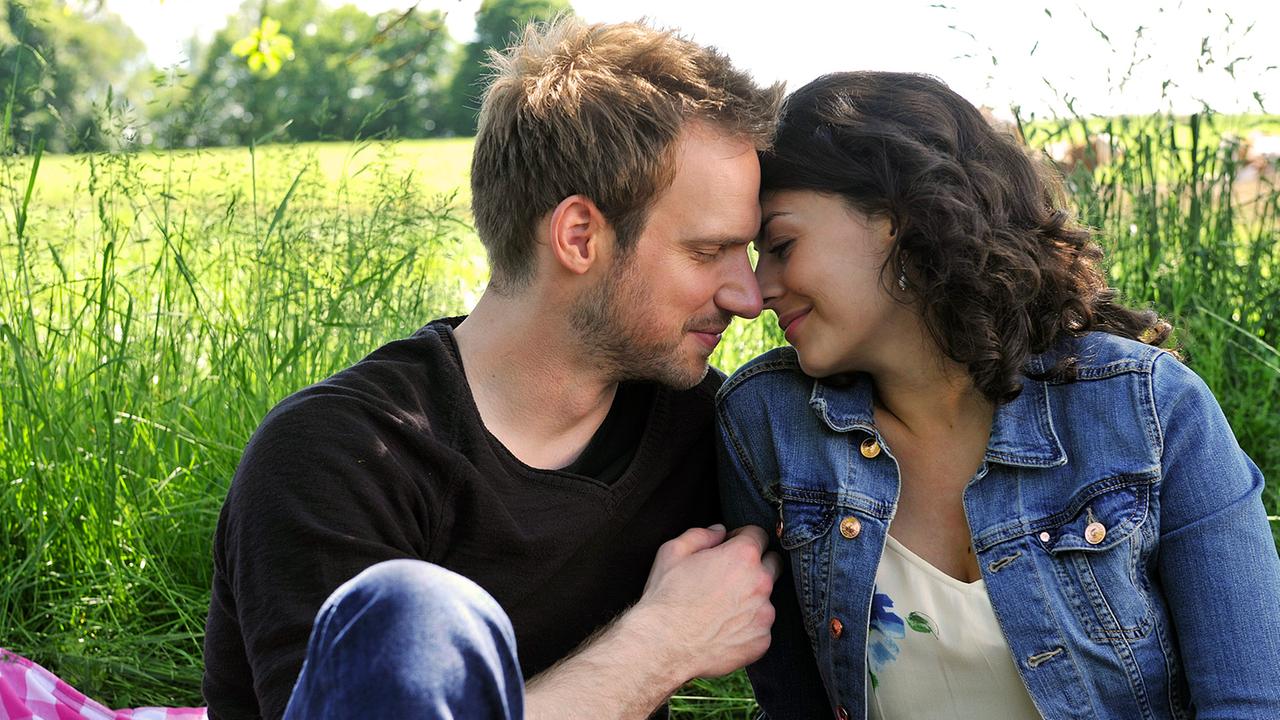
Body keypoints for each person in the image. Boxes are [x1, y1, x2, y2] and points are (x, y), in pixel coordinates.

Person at [202, 17, 785, 720]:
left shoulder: (711, 429)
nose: (748, 297)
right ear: (579, 237)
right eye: (708, 252)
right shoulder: (337, 456)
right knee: (413, 613)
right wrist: (662, 644)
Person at [716, 71, 1280, 720]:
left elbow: (1250, 704)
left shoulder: (1149, 410)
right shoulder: (767, 424)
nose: (758, 292)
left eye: (782, 246)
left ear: (899, 219)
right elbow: (793, 706)